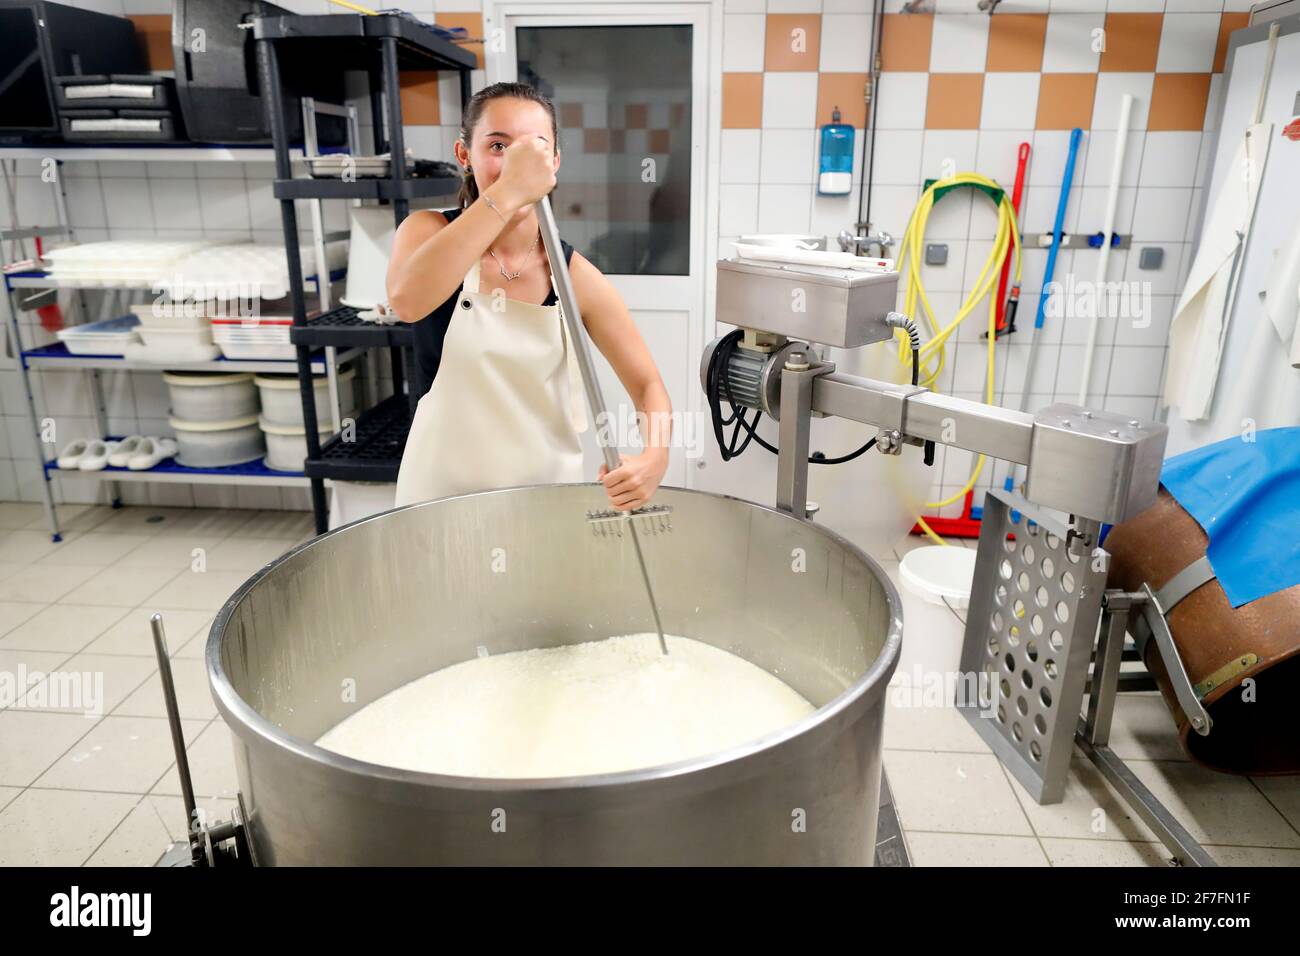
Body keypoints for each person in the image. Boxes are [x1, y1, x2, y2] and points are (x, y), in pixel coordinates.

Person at [386, 82, 672, 511]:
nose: (515, 162)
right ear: (465, 155)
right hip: (439, 496)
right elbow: (407, 302)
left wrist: (656, 457)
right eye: (498, 146)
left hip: (544, 501)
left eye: (533, 149)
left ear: (554, 162)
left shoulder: (572, 276)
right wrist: (508, 191)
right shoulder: (427, 232)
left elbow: (648, 385)